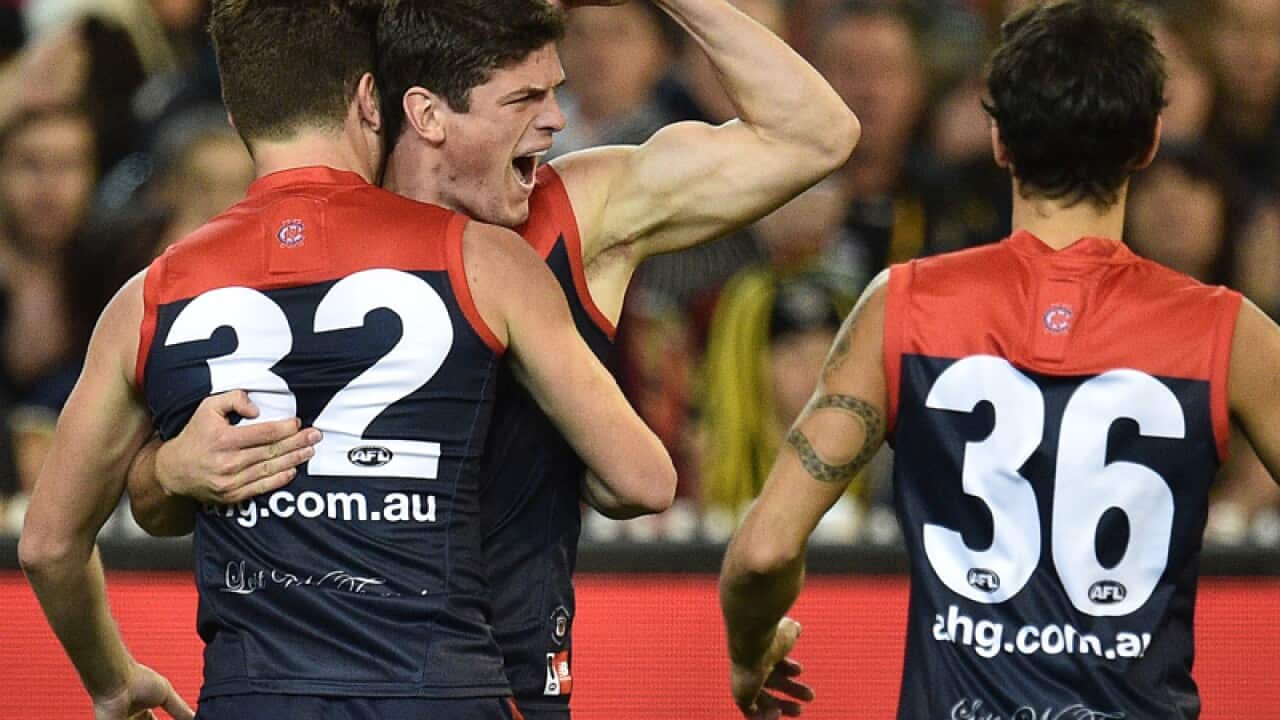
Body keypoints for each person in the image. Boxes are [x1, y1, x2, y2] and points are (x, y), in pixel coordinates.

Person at [127, 0, 859, 716]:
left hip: (510, 676)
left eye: (555, 92)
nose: (556, 120)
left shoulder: (579, 213)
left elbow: (817, 135)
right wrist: (166, 470)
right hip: (338, 679)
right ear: (426, 113)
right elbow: (141, 485)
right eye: (525, 98)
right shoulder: (306, 239)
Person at [18, 1, 674, 718]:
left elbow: (49, 546)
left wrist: (114, 680)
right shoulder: (485, 260)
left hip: (253, 698)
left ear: (237, 119)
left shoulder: (147, 299)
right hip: (441, 691)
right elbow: (641, 479)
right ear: (371, 99)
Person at [720, 1, 1280, 717]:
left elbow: (762, 552)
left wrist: (749, 652)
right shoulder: (1228, 333)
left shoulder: (903, 306)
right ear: (1149, 143)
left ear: (999, 142)